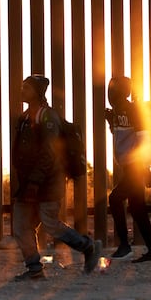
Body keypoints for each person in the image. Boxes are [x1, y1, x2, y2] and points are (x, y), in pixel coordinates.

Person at [12, 75, 102, 281]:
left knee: (50, 223)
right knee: (20, 226)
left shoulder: (47, 116)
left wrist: (35, 180)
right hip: (28, 183)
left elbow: (50, 152)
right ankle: (34, 268)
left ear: (37, 91)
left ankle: (88, 247)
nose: (22, 90)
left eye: (26, 87)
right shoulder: (25, 117)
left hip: (47, 182)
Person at [105, 76, 151, 263]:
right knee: (137, 209)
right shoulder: (116, 112)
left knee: (114, 198)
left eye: (114, 90)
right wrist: (109, 122)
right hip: (128, 166)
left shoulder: (133, 110)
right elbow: (120, 136)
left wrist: (147, 167)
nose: (110, 94)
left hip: (136, 166)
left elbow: (144, 140)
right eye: (109, 90)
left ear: (124, 93)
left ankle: (125, 246)